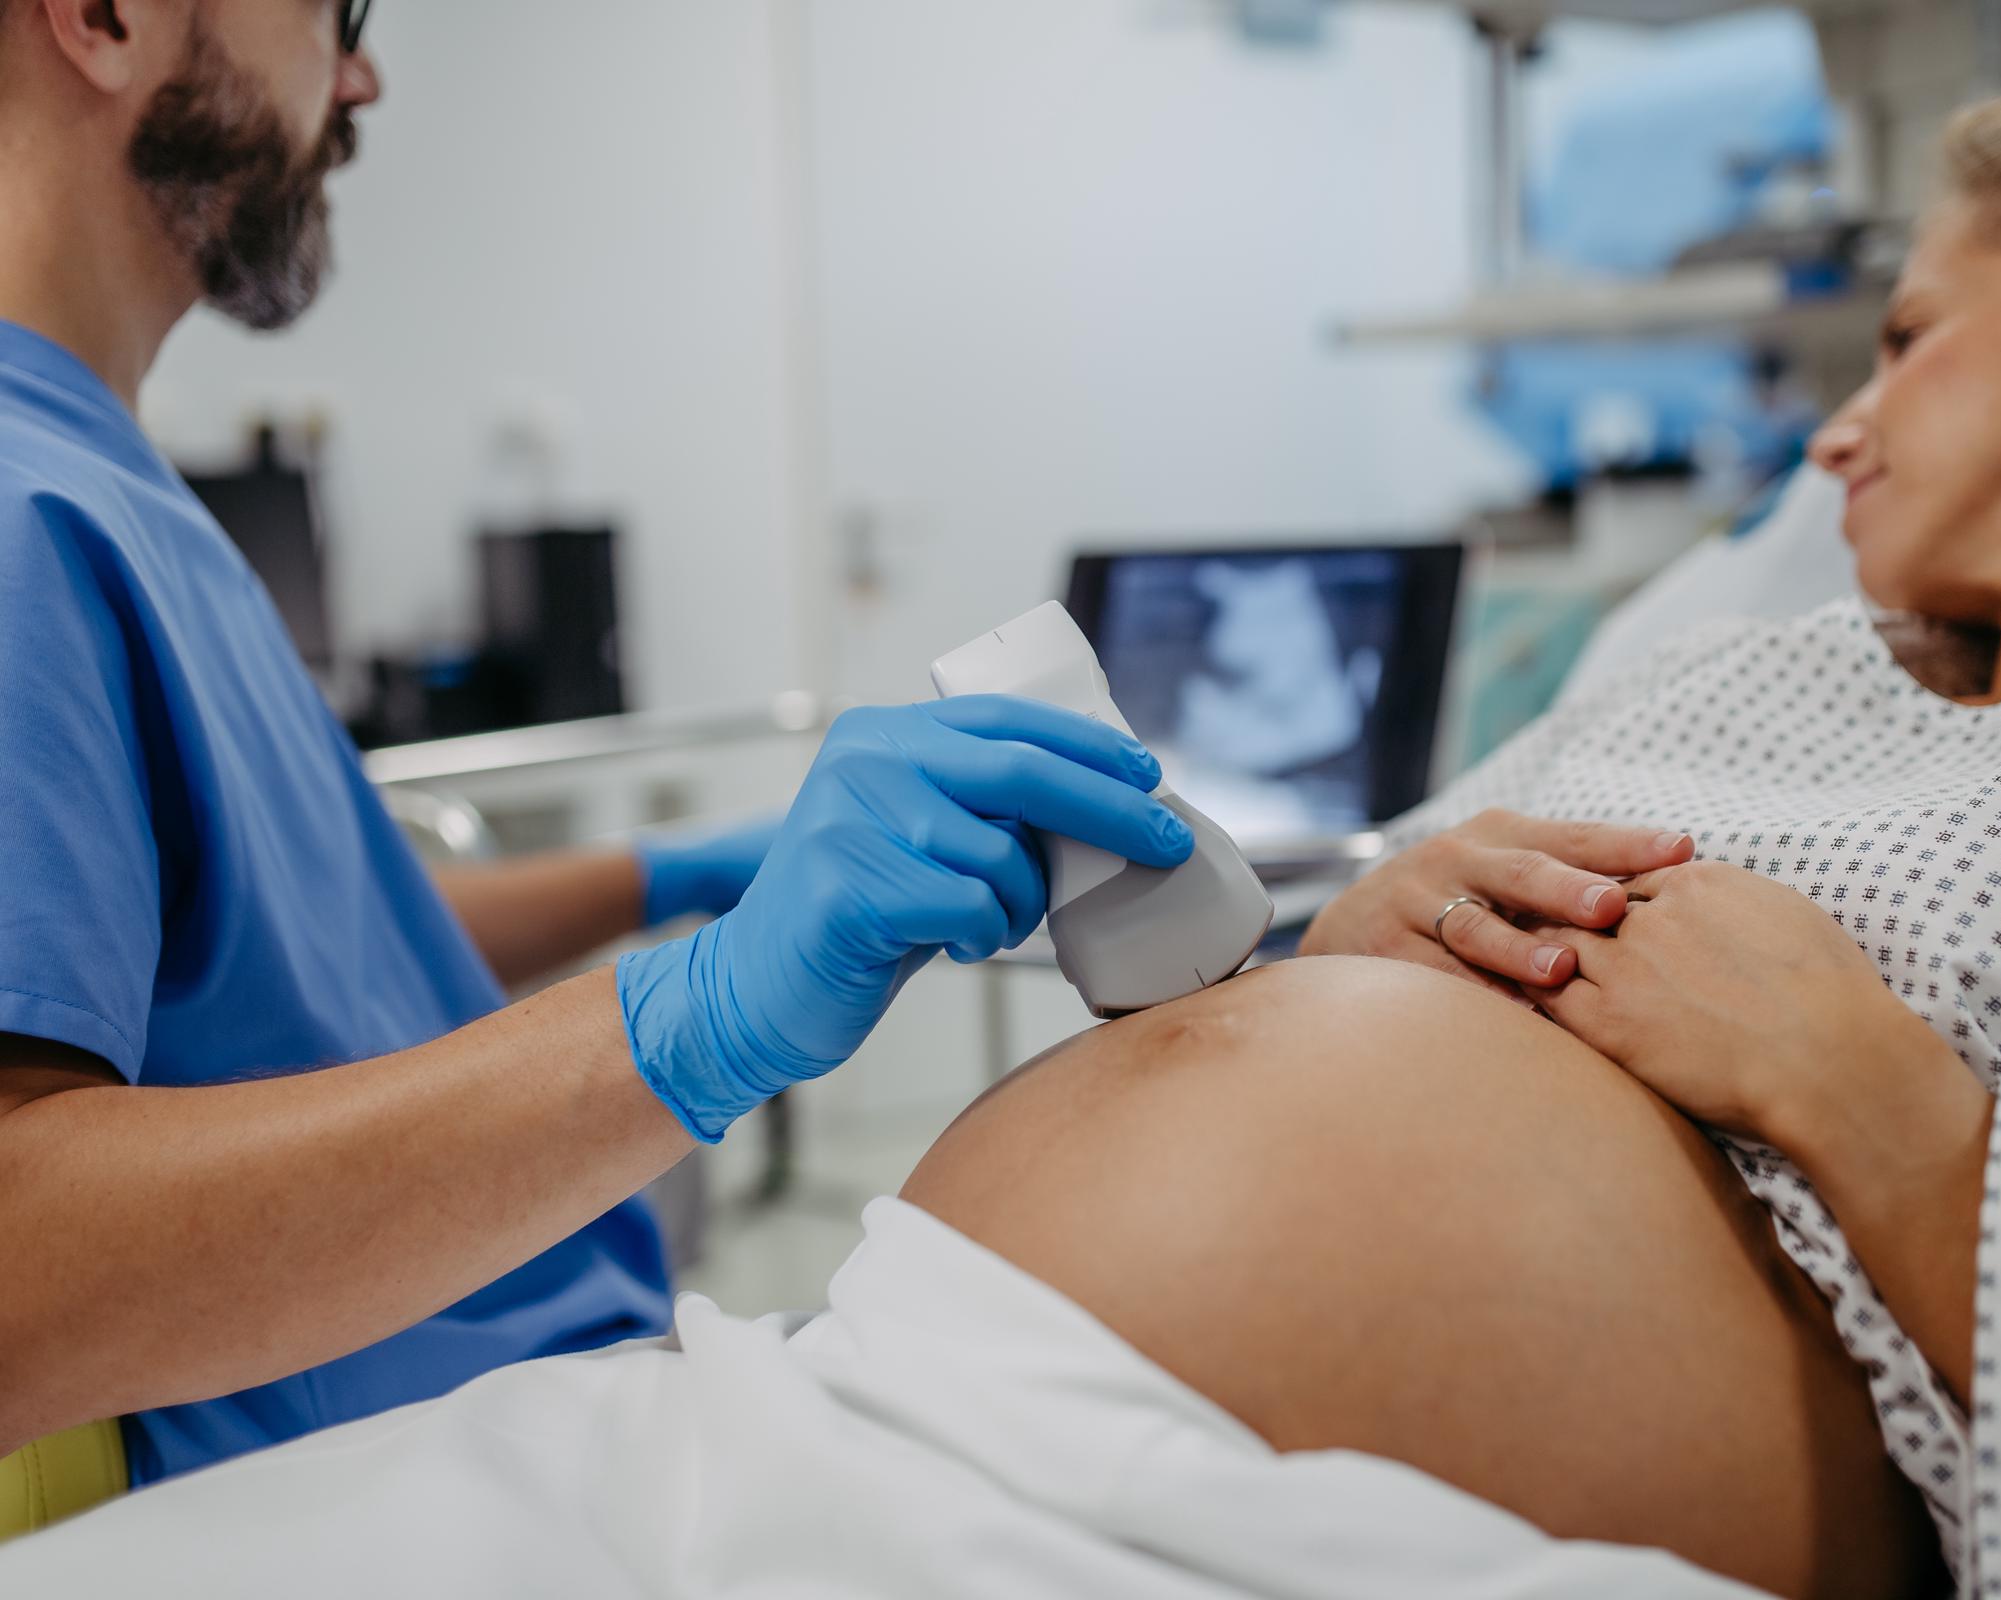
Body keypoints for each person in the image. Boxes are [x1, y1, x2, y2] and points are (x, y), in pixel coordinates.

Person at [8, 89, 2001, 1600]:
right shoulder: (1758, 671)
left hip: (1221, 1520)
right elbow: (1341, 1003)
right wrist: (1366, 915)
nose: (1839, 434)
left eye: (1902, 341)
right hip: (844, 1406)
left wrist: (1885, 1102)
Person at [0, 0, 1192, 1530]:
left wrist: (680, 878)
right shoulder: (25, 514)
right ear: (101, 16)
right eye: (331, 10)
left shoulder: (100, 478)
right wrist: (688, 1019)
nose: (358, 75)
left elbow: (278, 949)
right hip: (404, 1467)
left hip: (537, 1361)